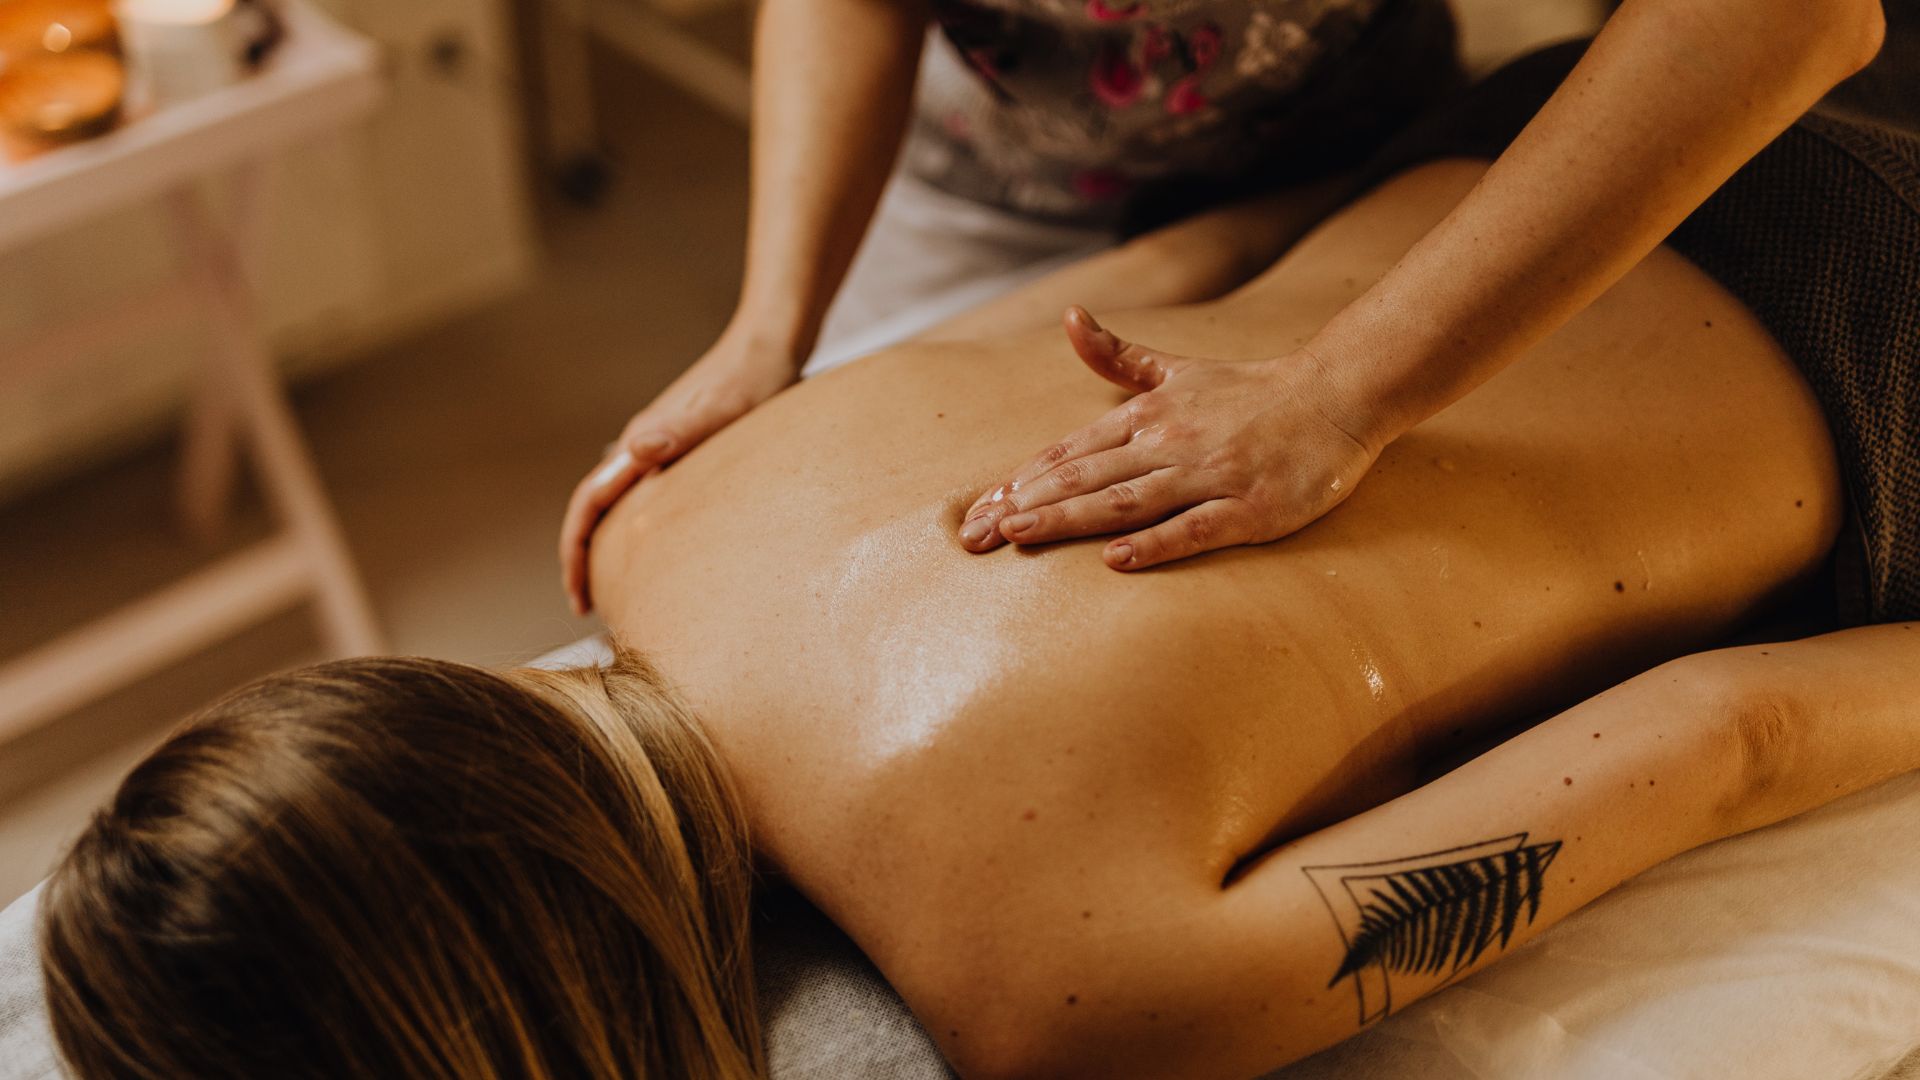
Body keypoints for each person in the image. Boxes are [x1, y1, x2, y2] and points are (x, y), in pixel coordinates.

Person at [41, 41, 1920, 1079]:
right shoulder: (671, 513)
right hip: (1534, 152)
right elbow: (1191, 274)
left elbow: (1730, 732)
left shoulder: (1052, 990)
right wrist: (1377, 319)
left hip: (1873, 333)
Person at [559, 0, 1888, 610]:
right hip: (967, 179)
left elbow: (1788, 14)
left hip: (1351, 140)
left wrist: (1348, 392)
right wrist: (767, 328)